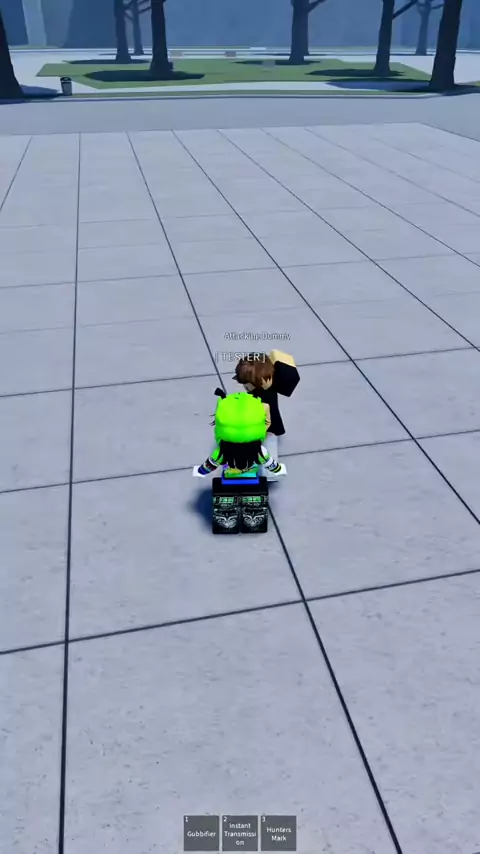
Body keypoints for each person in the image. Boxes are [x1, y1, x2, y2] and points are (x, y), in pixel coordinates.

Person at [233, 350, 300, 477]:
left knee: (268, 449)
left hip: (269, 427)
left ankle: (270, 475)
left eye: (246, 384)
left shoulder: (264, 398)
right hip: (266, 421)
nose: (245, 387)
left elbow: (266, 420)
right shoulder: (265, 386)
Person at [193, 392, 286, 479]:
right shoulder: (259, 452)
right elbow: (270, 463)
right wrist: (279, 470)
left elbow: (210, 464)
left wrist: (200, 471)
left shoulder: (221, 452)